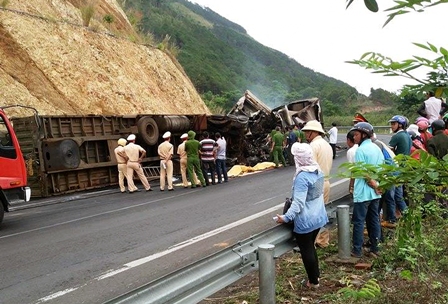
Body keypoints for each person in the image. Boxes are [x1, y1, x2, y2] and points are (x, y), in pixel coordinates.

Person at [274, 143, 328, 289]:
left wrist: (286, 217)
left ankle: (314, 282)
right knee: (311, 247)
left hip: (306, 219)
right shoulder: (318, 171)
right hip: (319, 216)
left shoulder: (302, 177)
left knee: (307, 250)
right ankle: (315, 276)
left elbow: (298, 203)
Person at [350, 122, 384, 258]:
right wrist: (378, 186)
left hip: (363, 193)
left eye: (357, 134)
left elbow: (363, 173)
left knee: (358, 222)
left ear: (364, 135)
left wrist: (373, 184)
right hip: (375, 194)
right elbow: (382, 168)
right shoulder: (376, 148)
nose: (354, 137)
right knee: (374, 219)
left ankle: (357, 250)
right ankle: (375, 248)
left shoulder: (360, 150)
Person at [301, 120, 333, 204]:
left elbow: (311, 168)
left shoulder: (313, 146)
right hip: (326, 182)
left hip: (316, 184)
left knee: (312, 213)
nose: (306, 134)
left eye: (307, 132)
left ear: (313, 132)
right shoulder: (327, 144)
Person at [386, 115, 411, 224]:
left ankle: (391, 218)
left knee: (390, 196)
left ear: (400, 125)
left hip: (395, 168)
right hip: (404, 168)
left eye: (393, 123)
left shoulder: (397, 136)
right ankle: (408, 216)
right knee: (399, 196)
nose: (391, 126)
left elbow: (389, 152)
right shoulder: (407, 135)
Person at [346, 130, 358, 195]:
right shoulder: (362, 146)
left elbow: (353, 171)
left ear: (348, 140)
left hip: (359, 183)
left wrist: (351, 186)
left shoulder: (351, 151)